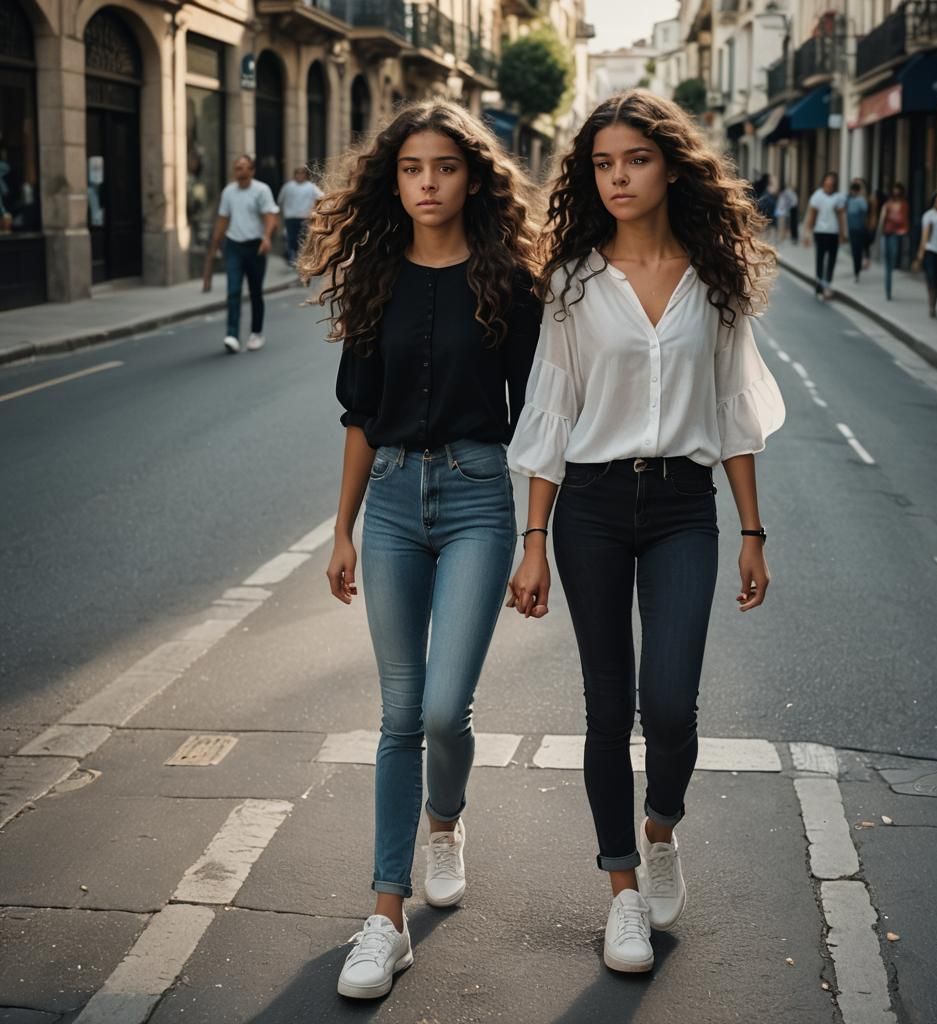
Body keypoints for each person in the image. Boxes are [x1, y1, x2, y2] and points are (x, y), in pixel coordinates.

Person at [505, 90, 784, 975]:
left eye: (636, 159)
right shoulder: (573, 282)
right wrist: (534, 538)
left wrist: (752, 529)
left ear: (671, 167)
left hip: (680, 509)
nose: (619, 177)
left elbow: (734, 410)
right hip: (587, 505)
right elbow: (552, 409)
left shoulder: (716, 276)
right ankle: (621, 888)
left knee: (669, 701)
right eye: (603, 163)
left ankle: (660, 823)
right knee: (606, 704)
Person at [299, 100, 541, 1000]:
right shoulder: (373, 279)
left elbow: (543, 415)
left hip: (480, 495)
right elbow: (360, 415)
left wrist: (537, 537)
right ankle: (385, 916)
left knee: (446, 710)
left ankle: (447, 820)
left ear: (472, 177)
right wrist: (343, 528)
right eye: (411, 168)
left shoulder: (510, 282)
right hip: (395, 498)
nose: (427, 183)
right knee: (402, 714)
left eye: (444, 167)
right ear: (392, 179)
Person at [202, 155, 278, 353]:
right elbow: (223, 218)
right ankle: (232, 335)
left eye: (243, 167)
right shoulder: (229, 192)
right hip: (234, 245)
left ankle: (256, 333)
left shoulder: (261, 190)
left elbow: (270, 216)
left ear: (252, 171)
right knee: (233, 291)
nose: (239, 171)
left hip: (256, 246)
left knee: (255, 292)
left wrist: (266, 237)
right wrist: (216, 243)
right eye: (236, 167)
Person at [803, 171, 846, 299]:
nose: (829, 185)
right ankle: (819, 284)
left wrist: (842, 234)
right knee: (820, 259)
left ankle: (826, 284)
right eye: (827, 183)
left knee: (832, 259)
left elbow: (841, 217)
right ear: (823, 183)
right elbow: (812, 215)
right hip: (820, 232)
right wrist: (807, 233)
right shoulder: (817, 196)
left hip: (833, 232)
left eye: (832, 184)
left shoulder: (839, 198)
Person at [277, 166, 323, 268]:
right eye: (298, 173)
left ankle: (302, 259)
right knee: (291, 239)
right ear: (295, 175)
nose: (300, 176)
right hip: (291, 217)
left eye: (302, 173)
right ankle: (292, 259)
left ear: (305, 175)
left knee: (304, 239)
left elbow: (322, 197)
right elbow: (280, 201)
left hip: (305, 217)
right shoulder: (288, 187)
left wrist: (315, 212)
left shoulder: (311, 187)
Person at [878, 182, 910, 301]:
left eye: (898, 192)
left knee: (892, 259)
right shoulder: (888, 205)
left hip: (897, 235)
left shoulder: (904, 205)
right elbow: (883, 220)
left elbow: (904, 220)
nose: (896, 194)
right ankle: (888, 289)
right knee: (887, 263)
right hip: (887, 234)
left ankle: (889, 284)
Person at [846, 179, 870, 282]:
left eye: (855, 190)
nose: (853, 192)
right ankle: (857, 269)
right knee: (854, 251)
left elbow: (865, 210)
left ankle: (857, 270)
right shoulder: (849, 200)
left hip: (860, 229)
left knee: (858, 251)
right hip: (852, 230)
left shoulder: (861, 200)